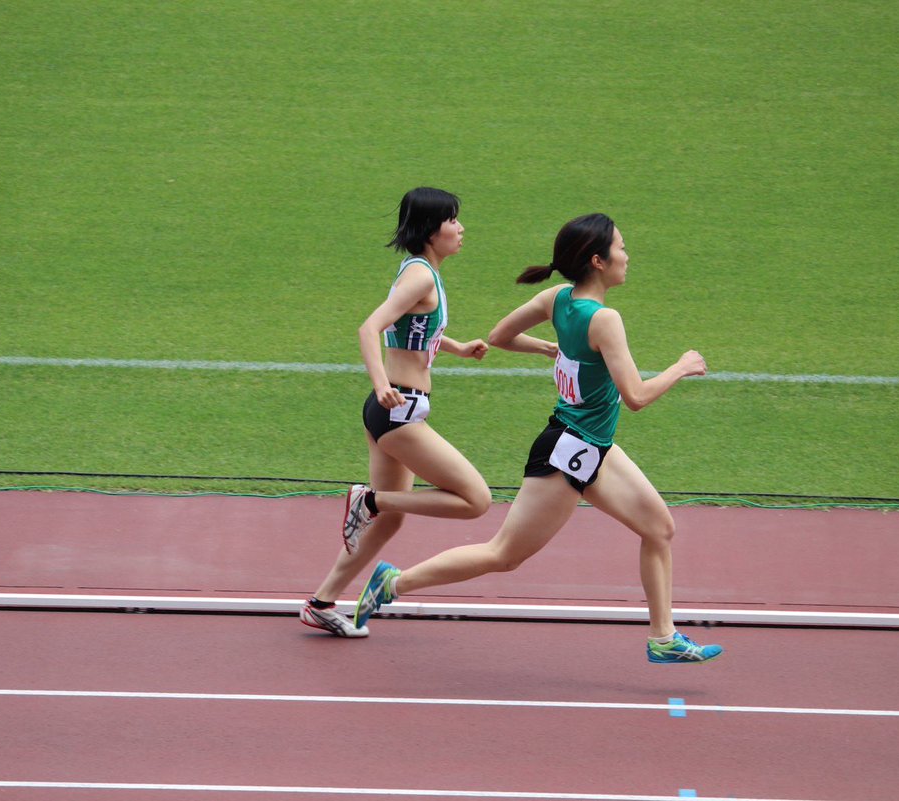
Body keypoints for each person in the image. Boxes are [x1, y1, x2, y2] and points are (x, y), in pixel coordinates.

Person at [352, 212, 723, 664]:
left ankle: (663, 638)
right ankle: (394, 583)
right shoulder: (604, 319)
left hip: (593, 446)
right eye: (621, 247)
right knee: (504, 555)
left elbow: (500, 336)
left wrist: (549, 346)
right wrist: (682, 367)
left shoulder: (557, 298)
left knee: (659, 528)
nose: (627, 255)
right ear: (598, 261)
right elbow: (637, 397)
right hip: (568, 451)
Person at [299, 187, 493, 638]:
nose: (461, 229)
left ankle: (321, 602)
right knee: (475, 500)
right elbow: (370, 328)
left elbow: (414, 328)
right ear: (431, 230)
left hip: (391, 411)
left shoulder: (420, 271)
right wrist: (383, 385)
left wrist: (457, 347)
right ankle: (367, 499)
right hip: (399, 409)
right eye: (453, 221)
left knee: (389, 523)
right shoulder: (421, 277)